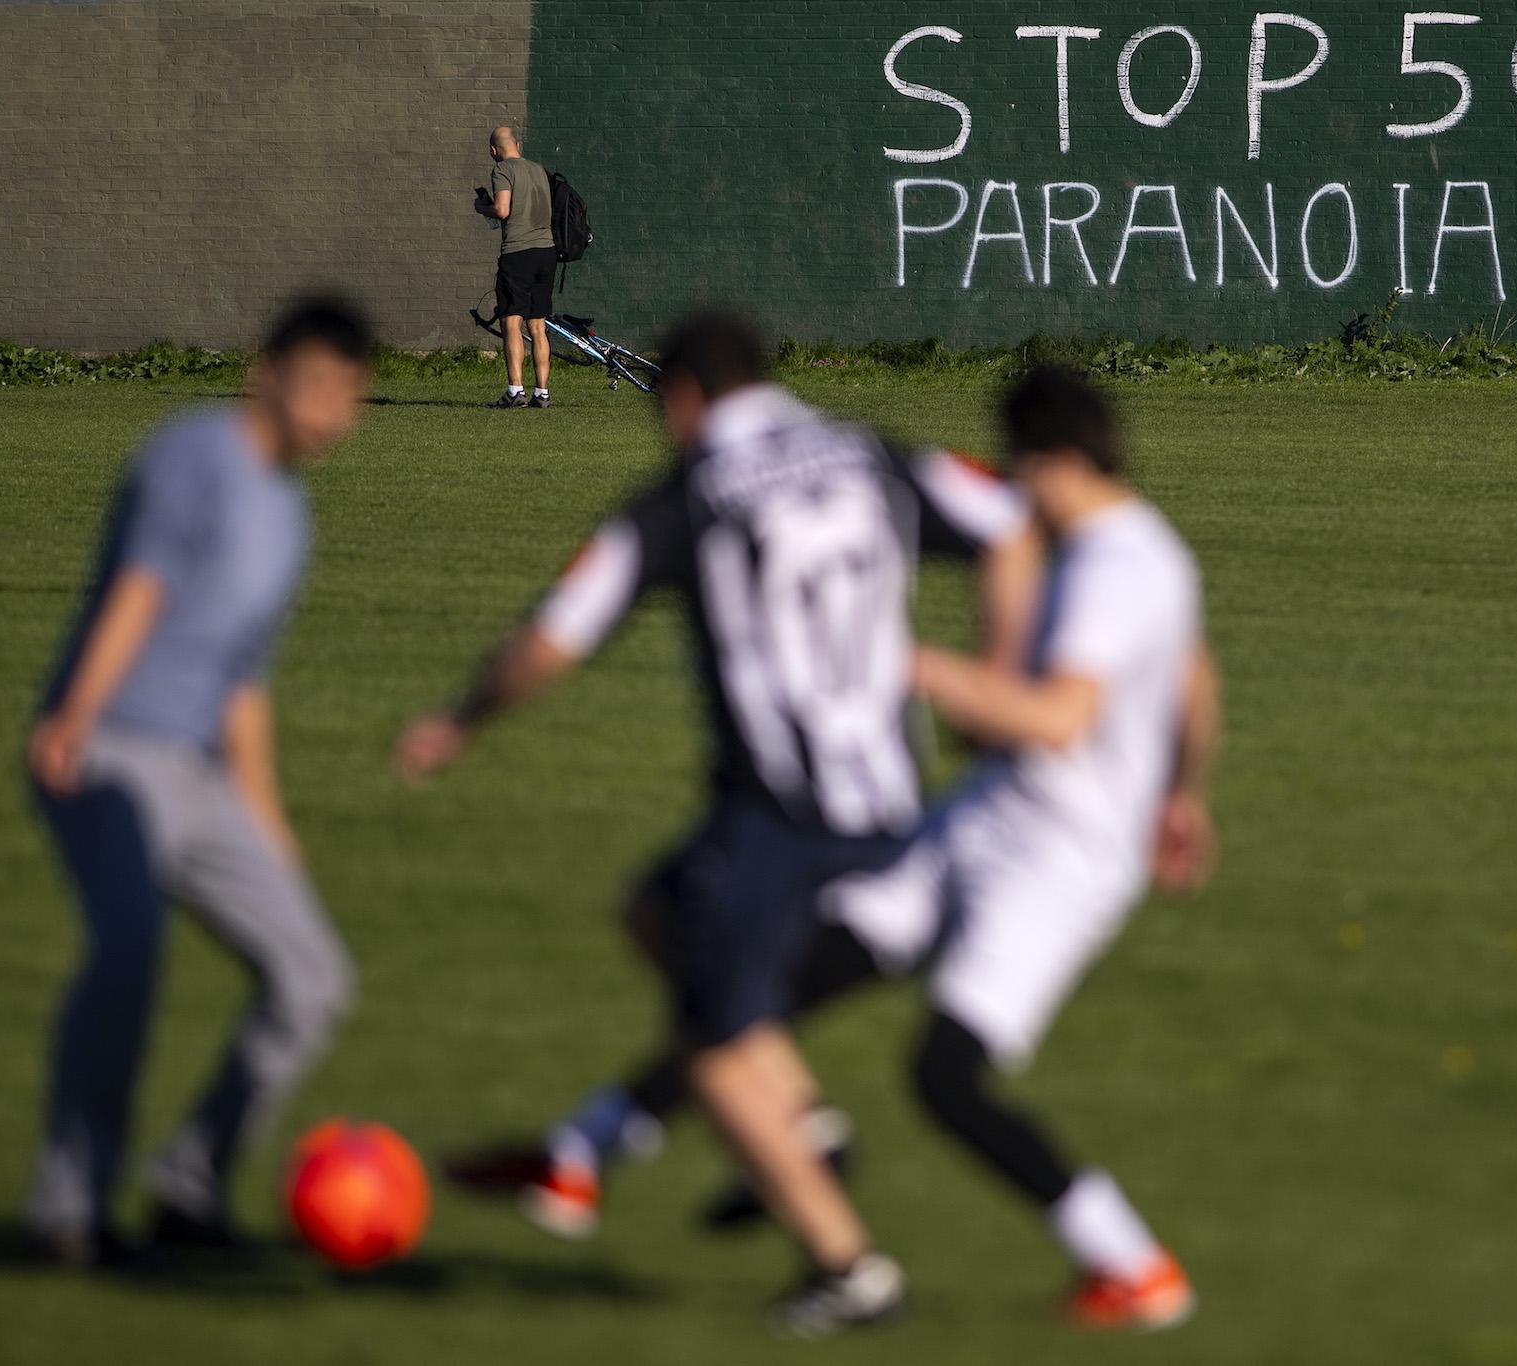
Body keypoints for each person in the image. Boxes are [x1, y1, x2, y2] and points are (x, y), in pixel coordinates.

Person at [477, 366, 1223, 1333]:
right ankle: (582, 1153)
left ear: (1056, 460)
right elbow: (1195, 678)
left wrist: (907, 663)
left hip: (1058, 857)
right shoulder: (1126, 552)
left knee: (945, 1075)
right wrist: (1183, 794)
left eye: (1017, 465)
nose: (1009, 487)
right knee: (770, 972)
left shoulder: (1116, 566)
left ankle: (1135, 1268)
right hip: (987, 816)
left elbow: (1055, 718)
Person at [392, 310, 1039, 1335]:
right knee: (657, 910)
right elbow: (1012, 520)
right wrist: (1000, 675)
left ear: (685, 394)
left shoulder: (687, 493)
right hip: (889, 798)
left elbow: (557, 634)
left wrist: (461, 718)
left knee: (704, 1039)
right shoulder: (870, 454)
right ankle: (806, 1125)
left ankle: (847, 1265)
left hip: (778, 813)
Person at [24, 298, 374, 1269]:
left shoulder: (288, 511)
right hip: (109, 757)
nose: (327, 413)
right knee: (129, 958)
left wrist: (268, 821)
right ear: (265, 372)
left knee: (312, 979)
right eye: (314, 386)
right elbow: (141, 587)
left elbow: (242, 680)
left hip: (199, 775)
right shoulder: (194, 456)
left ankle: (190, 1187)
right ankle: (69, 1211)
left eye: (348, 396)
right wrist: (75, 717)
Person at [482, 125, 556, 409]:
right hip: (546, 252)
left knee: (511, 320)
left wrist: (482, 208)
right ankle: (542, 393)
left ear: (493, 150)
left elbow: (502, 210)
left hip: (518, 252)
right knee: (538, 325)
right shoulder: (538, 169)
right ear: (518, 145)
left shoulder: (502, 170)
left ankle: (515, 391)